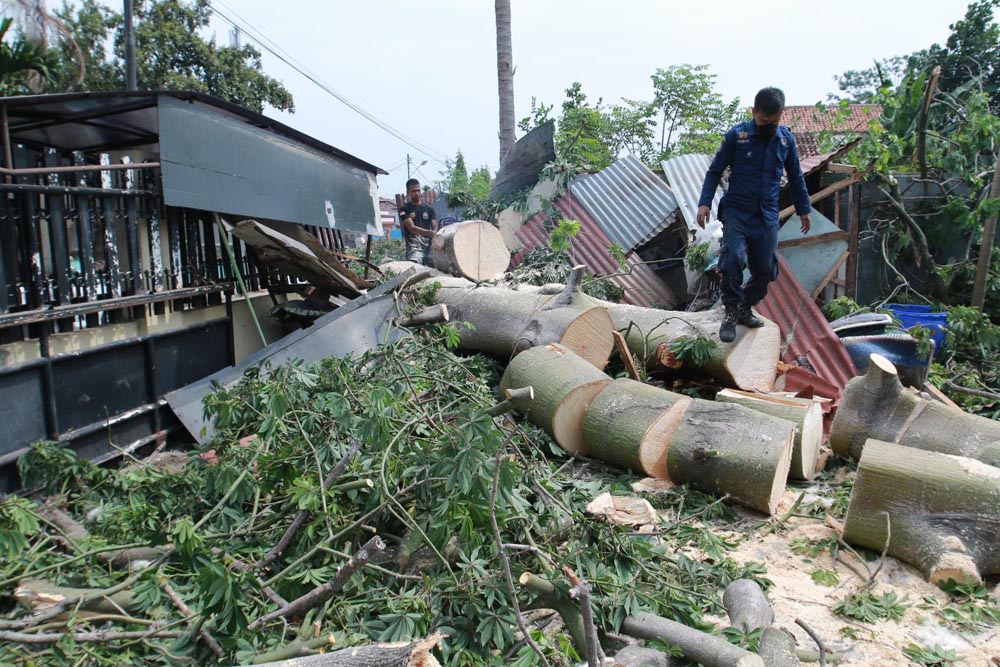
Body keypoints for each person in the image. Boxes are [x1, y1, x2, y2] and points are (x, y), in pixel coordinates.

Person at [696, 87, 812, 343]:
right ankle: (730, 311)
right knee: (734, 259)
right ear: (753, 112)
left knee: (766, 269)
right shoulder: (737, 136)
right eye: (763, 120)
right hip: (737, 211)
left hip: (766, 214)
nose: (768, 125)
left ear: (781, 114)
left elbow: (795, 176)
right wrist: (704, 203)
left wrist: (804, 209)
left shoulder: (785, 140)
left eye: (774, 120)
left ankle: (743, 307)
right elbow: (715, 171)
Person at [398, 178, 439, 266]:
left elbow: (434, 225)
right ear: (408, 192)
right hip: (414, 246)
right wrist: (430, 232)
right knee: (414, 265)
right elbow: (412, 228)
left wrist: (435, 232)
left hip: (429, 244)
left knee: (436, 264)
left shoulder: (429, 209)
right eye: (413, 191)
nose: (417, 193)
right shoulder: (404, 210)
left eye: (418, 190)